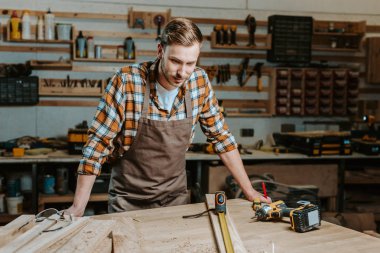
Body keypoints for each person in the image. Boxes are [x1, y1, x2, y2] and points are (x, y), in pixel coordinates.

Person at [66, 17, 271, 216]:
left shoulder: (198, 82)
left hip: (175, 201)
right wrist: (78, 207)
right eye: (175, 61)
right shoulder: (127, 82)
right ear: (160, 51)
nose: (182, 72)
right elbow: (97, 145)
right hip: (128, 201)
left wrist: (250, 191)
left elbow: (222, 138)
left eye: (190, 63)